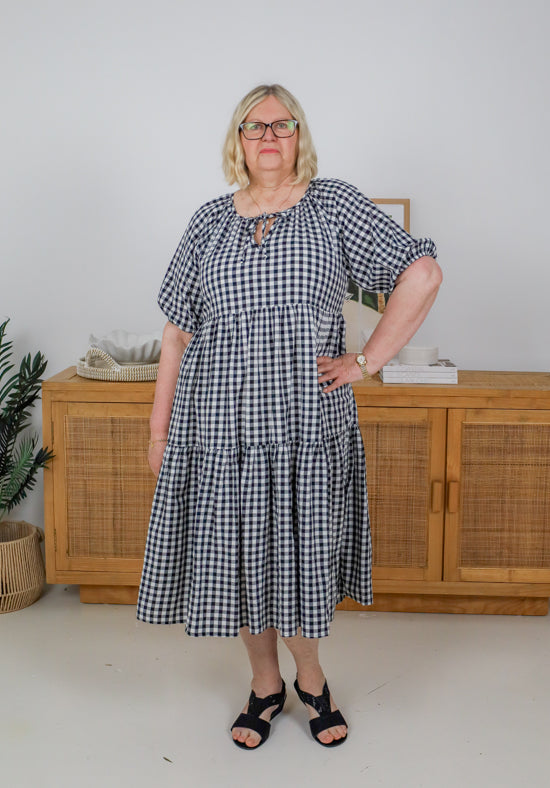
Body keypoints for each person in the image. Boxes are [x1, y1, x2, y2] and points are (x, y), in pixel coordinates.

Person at [137, 84, 442, 750]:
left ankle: (312, 679)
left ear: (300, 136)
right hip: (218, 430)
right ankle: (265, 684)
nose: (269, 136)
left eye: (283, 124)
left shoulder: (332, 205)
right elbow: (175, 334)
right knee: (241, 562)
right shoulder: (209, 220)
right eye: (255, 126)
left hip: (304, 429)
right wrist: (159, 432)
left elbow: (421, 273)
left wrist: (364, 362)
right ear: (237, 140)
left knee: (297, 559)